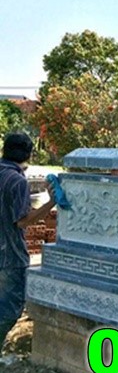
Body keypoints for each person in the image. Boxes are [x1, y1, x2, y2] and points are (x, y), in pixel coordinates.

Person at [0, 132, 56, 352]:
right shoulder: (16, 181)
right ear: (29, 154)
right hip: (9, 256)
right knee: (9, 310)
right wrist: (50, 202)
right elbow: (22, 221)